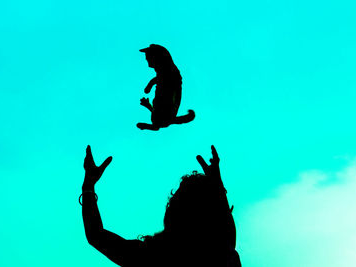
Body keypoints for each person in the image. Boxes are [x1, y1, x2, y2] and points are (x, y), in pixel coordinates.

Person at [81, 145, 241, 266]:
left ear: (175, 212)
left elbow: (96, 235)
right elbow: (226, 229)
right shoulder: (222, 254)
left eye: (175, 200)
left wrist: (88, 185)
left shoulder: (152, 256)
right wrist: (217, 188)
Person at [137, 44, 195, 131]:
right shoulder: (163, 69)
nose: (148, 63)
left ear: (156, 57)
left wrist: (150, 84)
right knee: (160, 107)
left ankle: (156, 125)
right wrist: (148, 105)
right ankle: (157, 123)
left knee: (162, 107)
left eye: (148, 59)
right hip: (166, 112)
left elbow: (164, 78)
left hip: (169, 106)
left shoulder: (169, 69)